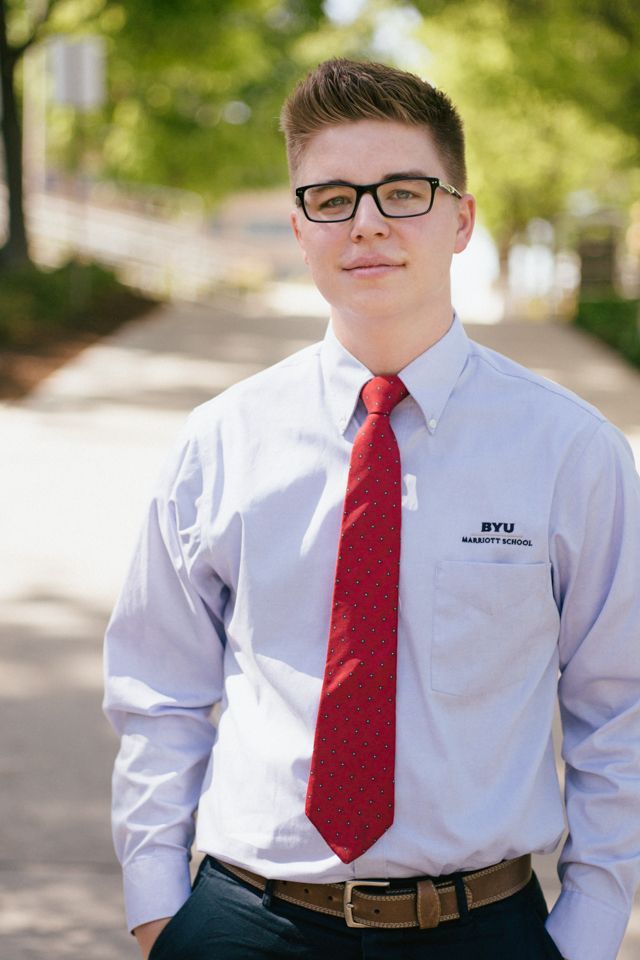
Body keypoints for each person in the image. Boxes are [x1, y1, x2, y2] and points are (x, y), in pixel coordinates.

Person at [103, 58, 640, 960]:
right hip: (243, 922)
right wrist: (158, 908)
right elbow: (160, 691)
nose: (367, 224)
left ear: (461, 218)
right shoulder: (221, 443)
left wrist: (586, 932)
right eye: (332, 198)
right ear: (298, 226)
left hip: (485, 929)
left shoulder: (570, 453)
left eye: (402, 192)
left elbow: (620, 705)